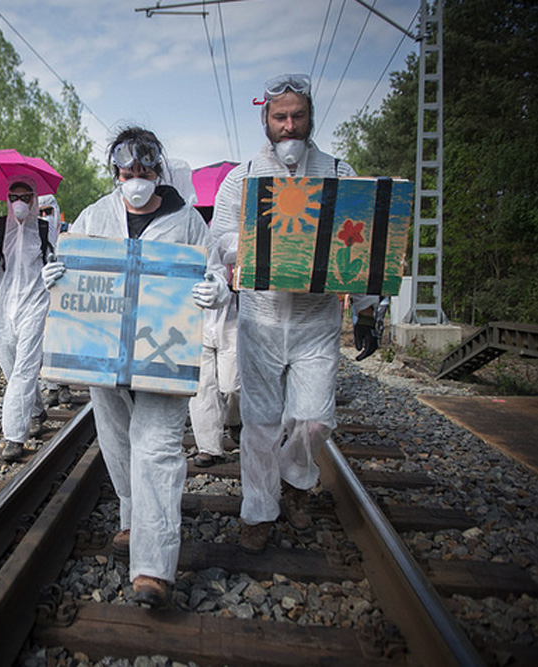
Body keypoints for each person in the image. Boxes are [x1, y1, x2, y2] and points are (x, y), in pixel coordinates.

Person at [42, 127, 207, 608]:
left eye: (145, 170)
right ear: (115, 171)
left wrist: (214, 290)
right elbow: (74, 270)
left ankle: (153, 569)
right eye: (127, 172)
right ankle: (133, 521)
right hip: (103, 353)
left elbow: (212, 268)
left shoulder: (187, 221)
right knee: (116, 442)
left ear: (159, 169)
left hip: (163, 352)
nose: (136, 180)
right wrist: (57, 272)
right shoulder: (95, 215)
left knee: (155, 449)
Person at [195, 73, 357, 553]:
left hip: (315, 320)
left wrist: (367, 307)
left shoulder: (339, 173)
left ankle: (296, 474)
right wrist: (243, 248)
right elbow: (218, 240)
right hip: (260, 321)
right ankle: (259, 509)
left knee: (314, 420)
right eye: (279, 117)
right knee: (261, 422)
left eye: (297, 116)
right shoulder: (241, 178)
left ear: (310, 117)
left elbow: (363, 240)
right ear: (265, 119)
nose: (289, 125)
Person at [0, 176, 58, 462]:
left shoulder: (46, 229)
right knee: (11, 367)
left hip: (35, 304)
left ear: (34, 199)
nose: (19, 203)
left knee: (25, 369)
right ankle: (35, 410)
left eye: (25, 197)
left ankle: (13, 436)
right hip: (4, 306)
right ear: (7, 199)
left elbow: (57, 264)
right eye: (13, 197)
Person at [188, 271, 241, 468]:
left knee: (231, 386)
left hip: (233, 316)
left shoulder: (236, 241)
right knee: (203, 387)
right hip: (198, 316)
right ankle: (209, 448)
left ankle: (234, 420)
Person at [36, 194, 71, 407]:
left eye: (48, 212)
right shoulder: (35, 233)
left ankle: (65, 384)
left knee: (65, 340)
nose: (44, 216)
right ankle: (51, 386)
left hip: (67, 292)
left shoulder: (68, 232)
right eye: (40, 212)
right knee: (44, 341)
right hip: (43, 293)